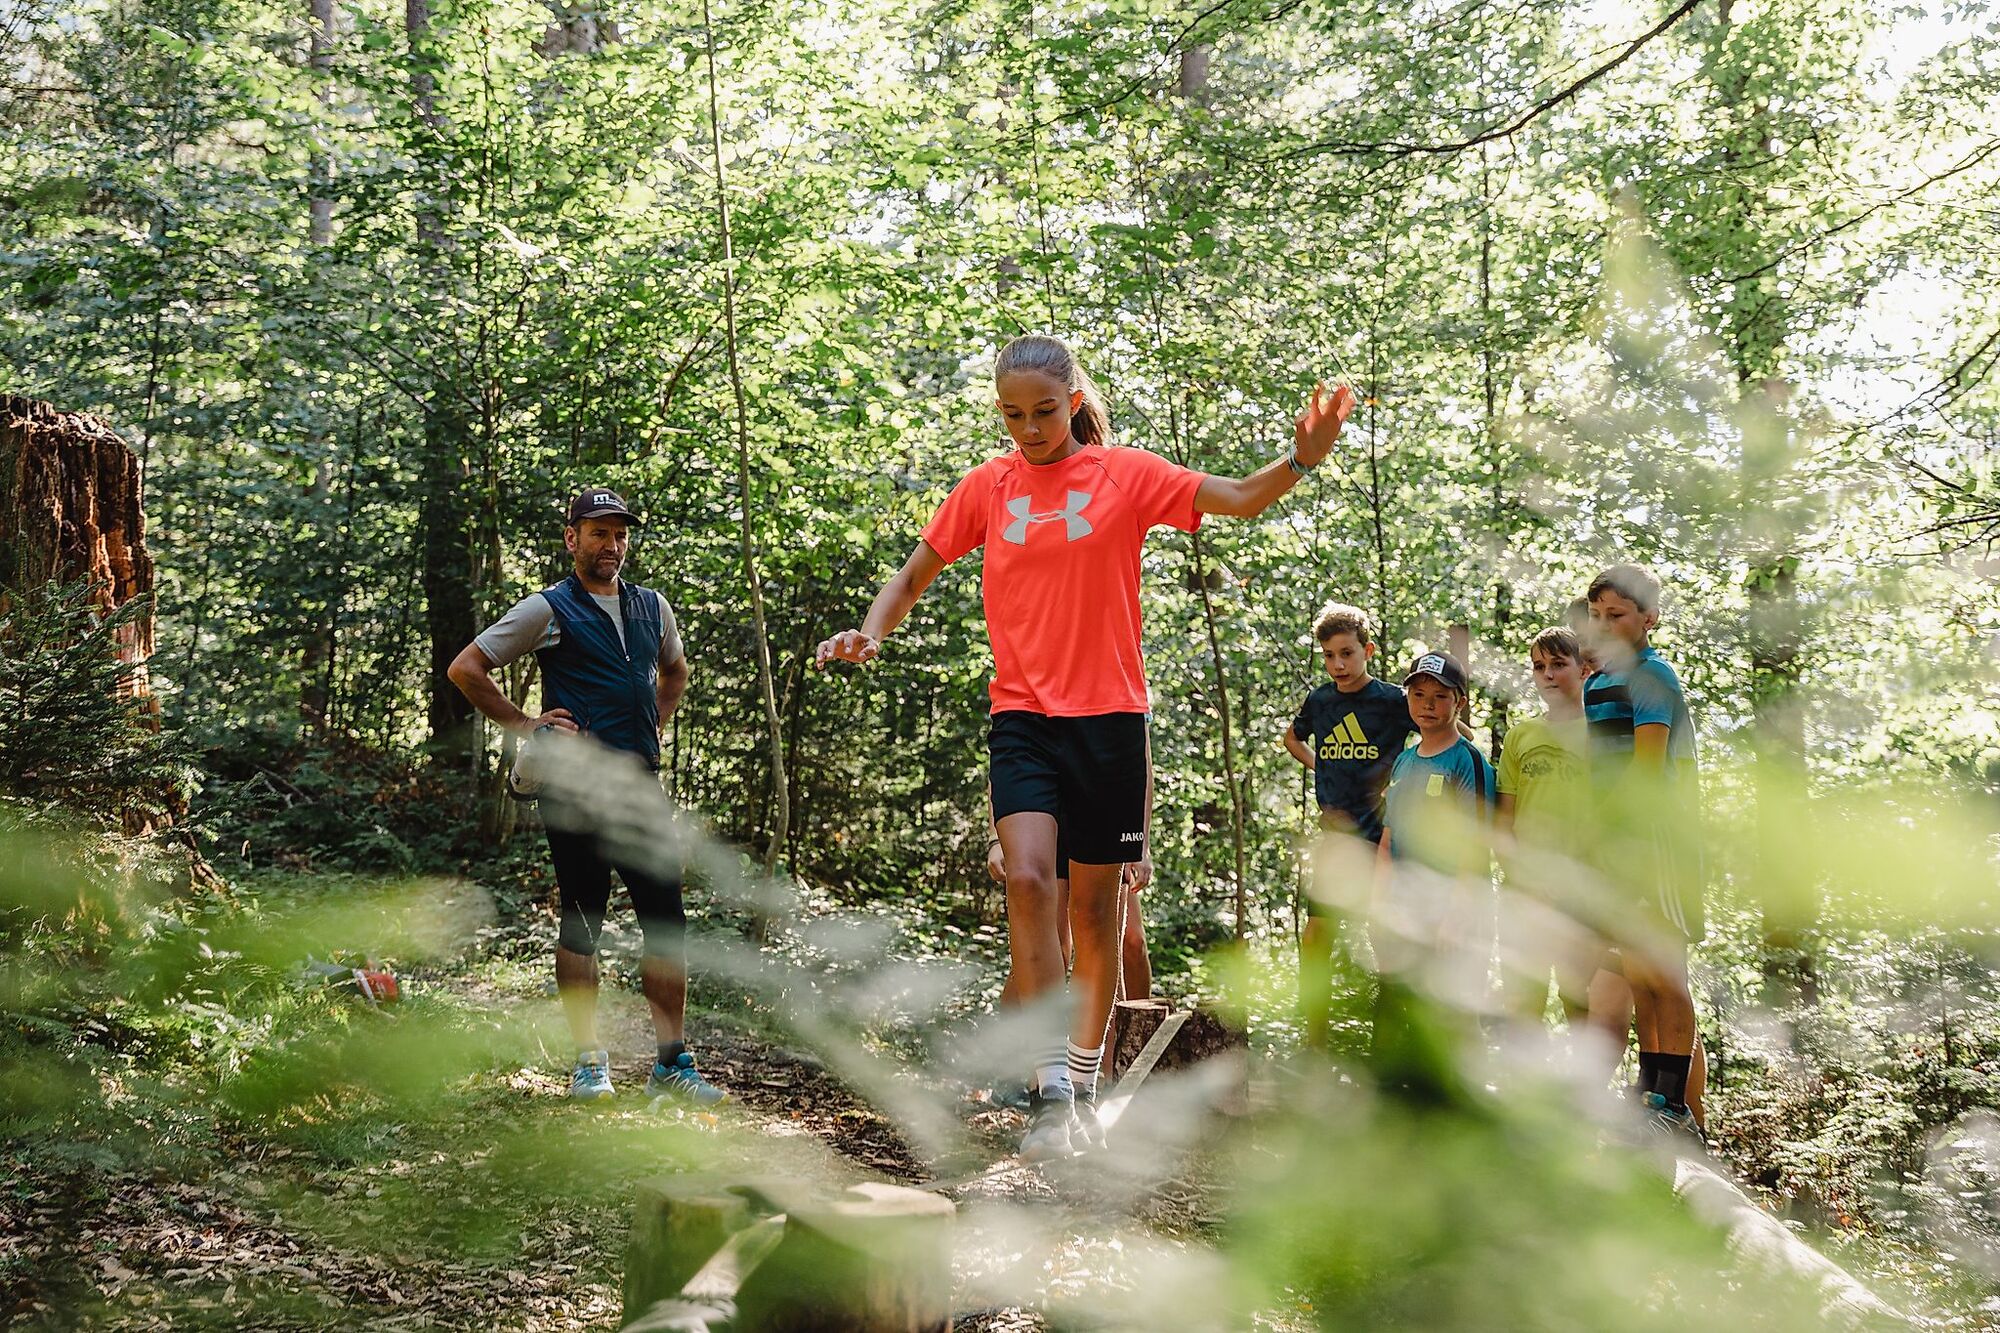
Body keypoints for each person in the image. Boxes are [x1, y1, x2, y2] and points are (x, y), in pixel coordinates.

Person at [815, 333, 1355, 1162]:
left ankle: (1079, 1079)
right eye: (1012, 415)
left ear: (1072, 402)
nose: (1029, 429)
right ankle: (1050, 1090)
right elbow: (915, 572)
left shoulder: (1125, 475)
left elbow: (1242, 497)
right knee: (1029, 879)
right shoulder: (987, 487)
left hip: (1109, 722)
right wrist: (871, 631)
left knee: (1097, 914)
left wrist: (1302, 457)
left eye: (1043, 411)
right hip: (1022, 716)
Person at [446, 488, 725, 1105]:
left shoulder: (653, 607)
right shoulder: (548, 609)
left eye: (620, 534)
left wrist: (654, 722)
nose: (612, 545)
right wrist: (527, 724)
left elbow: (675, 671)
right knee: (582, 922)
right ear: (572, 538)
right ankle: (589, 1063)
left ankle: (671, 1065)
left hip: (640, 788)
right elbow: (466, 668)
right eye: (598, 532)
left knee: (666, 923)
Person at [1583, 563, 1705, 1137]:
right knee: (1637, 973)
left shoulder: (1653, 678)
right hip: (1618, 846)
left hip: (1658, 844)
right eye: (1597, 615)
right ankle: (1652, 1094)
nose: (1604, 625)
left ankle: (1674, 1104)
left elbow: (1647, 768)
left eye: (1617, 615)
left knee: (1664, 972)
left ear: (1649, 619)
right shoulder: (1597, 683)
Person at [1282, 602, 1413, 1050]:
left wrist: (1408, 778)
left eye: (1347, 653)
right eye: (1329, 656)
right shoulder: (1321, 701)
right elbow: (1292, 737)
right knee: (1317, 937)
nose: (1338, 664)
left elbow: (1447, 732)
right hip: (1335, 840)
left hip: (1381, 837)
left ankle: (1388, 1042)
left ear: (1367, 651)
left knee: (1383, 938)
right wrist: (1320, 767)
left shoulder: (1393, 700)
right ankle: (1315, 1042)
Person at [1370, 650, 1496, 1095]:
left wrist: (1455, 920)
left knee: (1453, 1012)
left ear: (1459, 702)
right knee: (1397, 1005)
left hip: (1451, 909)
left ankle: (1463, 1103)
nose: (1427, 704)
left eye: (1440, 696)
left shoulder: (1468, 761)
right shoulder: (1405, 762)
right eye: (1418, 694)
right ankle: (1390, 1102)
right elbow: (1388, 837)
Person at [1494, 626, 1612, 1038]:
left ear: (1584, 670)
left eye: (1558, 664)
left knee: (1580, 998)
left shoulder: (1603, 733)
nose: (1547, 674)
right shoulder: (1520, 735)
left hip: (1582, 890)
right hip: (1525, 891)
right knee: (1524, 996)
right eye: (1538, 666)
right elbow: (1503, 821)